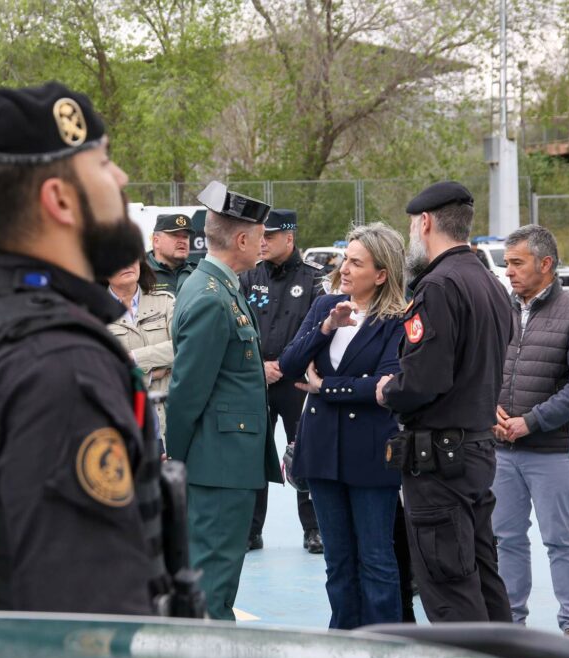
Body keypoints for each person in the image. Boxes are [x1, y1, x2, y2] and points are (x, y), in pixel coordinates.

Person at [0, 82, 173, 615]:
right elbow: (86, 627)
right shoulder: (60, 368)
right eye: (104, 163)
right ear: (59, 199)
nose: (121, 179)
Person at [376, 180, 512, 623]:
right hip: (475, 449)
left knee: (449, 587)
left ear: (425, 222)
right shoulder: (490, 283)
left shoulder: (437, 286)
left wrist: (387, 390)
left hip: (440, 460)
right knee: (484, 579)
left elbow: (424, 378)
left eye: (413, 226)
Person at [278, 224, 406, 628]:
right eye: (344, 258)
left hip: (369, 453)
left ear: (381, 274)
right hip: (322, 451)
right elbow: (290, 364)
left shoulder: (397, 320)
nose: (344, 268)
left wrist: (324, 387)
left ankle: (383, 646)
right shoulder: (325, 307)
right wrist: (328, 327)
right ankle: (344, 643)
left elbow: (386, 387)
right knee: (338, 561)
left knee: (377, 559)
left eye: (356, 262)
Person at [165, 180, 282, 620]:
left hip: (225, 459)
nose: (264, 244)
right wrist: (175, 458)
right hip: (217, 464)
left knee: (218, 574)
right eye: (260, 236)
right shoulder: (212, 298)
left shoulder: (218, 287)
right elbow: (186, 392)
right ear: (241, 239)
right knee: (213, 580)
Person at [491, 225, 569, 639]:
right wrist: (488, 409)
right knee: (505, 538)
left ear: (545, 264)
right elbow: (484, 367)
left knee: (560, 539)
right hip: (500, 450)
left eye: (517, 263)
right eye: (507, 263)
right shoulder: (501, 309)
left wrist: (531, 422)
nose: (508, 271)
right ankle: (511, 624)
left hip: (551, 449)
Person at [239, 208, 324, 554]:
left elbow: (317, 333)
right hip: (256, 378)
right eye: (261, 236)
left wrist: (288, 365)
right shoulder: (248, 277)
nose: (262, 243)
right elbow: (238, 325)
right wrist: (259, 365)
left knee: (303, 451)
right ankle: (251, 529)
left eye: (269, 237)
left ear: (289, 238)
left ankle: (313, 529)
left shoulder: (314, 280)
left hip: (296, 382)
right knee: (255, 454)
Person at [106, 251, 176, 445]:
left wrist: (134, 358)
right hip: (125, 422)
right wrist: (151, 374)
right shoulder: (93, 313)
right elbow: (103, 371)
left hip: (172, 418)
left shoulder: (165, 302)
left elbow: (183, 347)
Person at [147, 213, 196, 295]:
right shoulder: (139, 273)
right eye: (175, 235)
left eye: (185, 237)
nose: (182, 241)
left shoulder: (196, 274)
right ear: (156, 241)